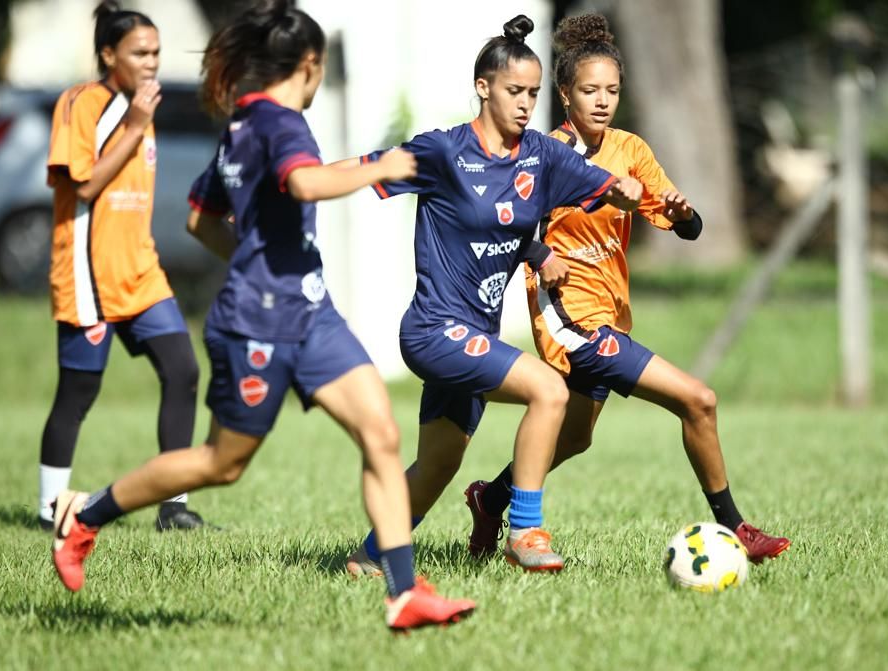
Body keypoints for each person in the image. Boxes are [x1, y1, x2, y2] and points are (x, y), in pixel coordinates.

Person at [50, 1, 474, 631]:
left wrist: (252, 255)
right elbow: (303, 185)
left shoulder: (242, 124)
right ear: (308, 65)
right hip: (256, 323)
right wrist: (377, 168)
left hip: (310, 313)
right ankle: (85, 517)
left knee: (380, 432)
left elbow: (201, 218)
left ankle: (404, 591)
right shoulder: (281, 125)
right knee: (223, 463)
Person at [463, 14, 791, 563]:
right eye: (590, 90)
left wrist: (684, 213)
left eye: (612, 91)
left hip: (611, 316)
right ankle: (736, 530)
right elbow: (503, 221)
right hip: (570, 320)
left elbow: (687, 225)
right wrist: (540, 255)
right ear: (564, 95)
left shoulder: (631, 150)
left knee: (573, 437)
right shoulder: (540, 154)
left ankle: (490, 499)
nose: (602, 101)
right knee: (698, 400)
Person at [344, 15, 644, 576]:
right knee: (549, 391)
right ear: (483, 88)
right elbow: (362, 171)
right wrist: (289, 184)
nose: (526, 104)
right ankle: (526, 532)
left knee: (437, 465)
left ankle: (366, 559)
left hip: (474, 338)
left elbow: (602, 189)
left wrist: (626, 193)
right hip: (433, 331)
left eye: (533, 93)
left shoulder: (542, 156)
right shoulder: (443, 152)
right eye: (514, 92)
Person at [39, 0, 205, 532]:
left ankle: (173, 507)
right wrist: (134, 126)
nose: (151, 62)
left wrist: (140, 118)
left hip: (141, 273)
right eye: (140, 52)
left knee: (182, 371)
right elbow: (83, 184)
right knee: (79, 392)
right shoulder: (83, 103)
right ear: (109, 54)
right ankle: (49, 510)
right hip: (89, 275)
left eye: (156, 52)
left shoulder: (141, 107)